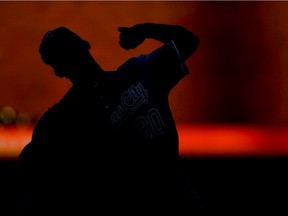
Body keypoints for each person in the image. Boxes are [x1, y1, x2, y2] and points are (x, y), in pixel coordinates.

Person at [18, 23, 200, 215]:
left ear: (85, 44)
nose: (71, 58)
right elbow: (31, 178)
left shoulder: (137, 73)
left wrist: (145, 30)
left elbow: (188, 41)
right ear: (58, 70)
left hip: (181, 203)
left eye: (70, 49)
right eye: (62, 57)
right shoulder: (61, 119)